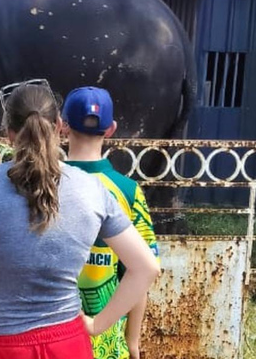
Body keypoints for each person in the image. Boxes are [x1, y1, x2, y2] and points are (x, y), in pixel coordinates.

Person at [0, 81, 160, 359]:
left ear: (9, 134)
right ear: (59, 124)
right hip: (68, 344)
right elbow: (146, 267)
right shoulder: (92, 189)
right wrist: (98, 324)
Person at [61, 86, 160, 359]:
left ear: (62, 126)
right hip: (104, 335)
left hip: (50, 332)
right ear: (111, 129)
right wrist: (133, 341)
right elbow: (139, 271)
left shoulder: (47, 184)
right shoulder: (128, 191)